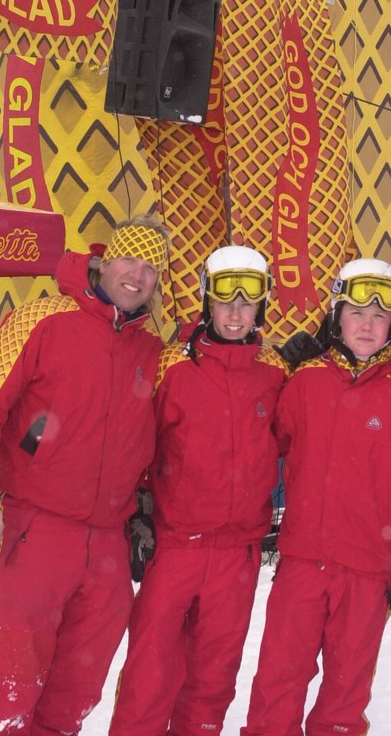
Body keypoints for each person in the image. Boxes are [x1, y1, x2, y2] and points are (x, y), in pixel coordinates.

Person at [0, 215, 170, 736]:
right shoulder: (45, 319)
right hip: (37, 529)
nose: (136, 276)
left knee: (77, 686)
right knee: (12, 679)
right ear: (105, 260)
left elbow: (158, 442)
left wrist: (144, 507)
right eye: (128, 260)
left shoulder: (151, 349)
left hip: (108, 545)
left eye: (150, 268)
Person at [242, 258, 391, 736]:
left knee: (345, 697)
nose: (367, 325)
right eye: (355, 313)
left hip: (369, 569)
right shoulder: (305, 381)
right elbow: (257, 439)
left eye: (379, 316)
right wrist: (278, 367)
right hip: (303, 563)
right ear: (336, 316)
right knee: (277, 687)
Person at [109, 244, 288, 735]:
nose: (235, 312)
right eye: (224, 299)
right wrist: (135, 513)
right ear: (207, 300)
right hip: (175, 546)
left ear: (261, 306)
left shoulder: (276, 374)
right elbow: (132, 441)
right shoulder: (171, 366)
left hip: (238, 554)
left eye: (247, 301)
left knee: (213, 682)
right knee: (149, 678)